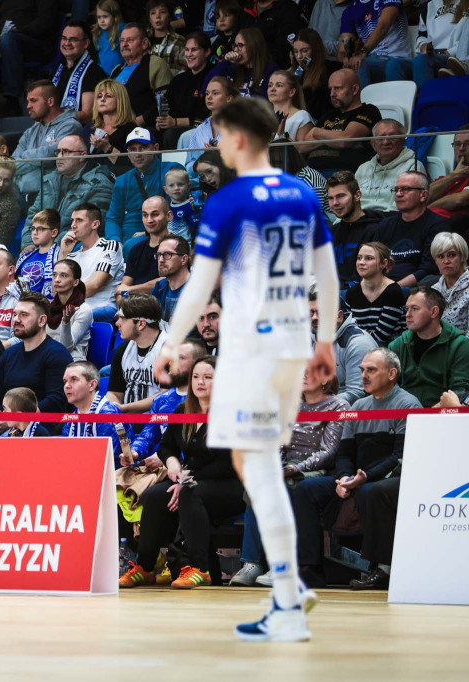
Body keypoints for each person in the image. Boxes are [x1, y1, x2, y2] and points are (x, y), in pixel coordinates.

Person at [151, 97, 340, 641]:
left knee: (256, 469)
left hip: (253, 348)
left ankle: (287, 597)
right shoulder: (303, 193)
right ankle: (289, 589)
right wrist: (323, 339)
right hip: (291, 343)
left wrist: (169, 342)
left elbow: (200, 284)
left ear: (235, 139)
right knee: (254, 464)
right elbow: (326, 275)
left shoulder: (229, 200)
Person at [290, 348, 420, 587]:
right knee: (306, 489)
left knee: (372, 491)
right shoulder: (357, 406)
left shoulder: (408, 404)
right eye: (361, 370)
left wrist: (365, 477)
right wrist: (344, 478)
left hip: (387, 477)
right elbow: (344, 453)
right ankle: (310, 568)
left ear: (392, 374)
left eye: (371, 370)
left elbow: (400, 456)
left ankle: (381, 569)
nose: (363, 376)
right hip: (355, 476)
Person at [121, 355, 247, 589]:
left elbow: (227, 463)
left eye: (208, 377)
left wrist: (185, 480)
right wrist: (171, 463)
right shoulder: (183, 409)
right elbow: (167, 445)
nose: (200, 382)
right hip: (190, 479)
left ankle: (200, 568)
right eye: (196, 377)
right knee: (155, 495)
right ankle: (145, 566)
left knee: (189, 492)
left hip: (231, 483)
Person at [230, 372, 348, 587]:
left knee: (284, 489)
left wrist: (295, 468)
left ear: (325, 378)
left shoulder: (338, 406)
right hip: (286, 466)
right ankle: (252, 563)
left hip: (317, 469)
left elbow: (329, 451)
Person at [0, 292, 74, 424]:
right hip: (7, 423)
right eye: (15, 314)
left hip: (41, 428)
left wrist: (14, 421)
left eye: (24, 315)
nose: (16, 319)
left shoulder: (57, 354)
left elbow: (56, 401)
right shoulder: (8, 354)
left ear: (42, 320)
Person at [126, 337, 206, 462]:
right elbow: (148, 436)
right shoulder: (161, 400)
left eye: (180, 358)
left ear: (198, 364)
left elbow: (203, 450)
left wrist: (167, 458)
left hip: (192, 471)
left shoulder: (204, 401)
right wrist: (134, 452)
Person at [388, 287, 469, 407]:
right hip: (403, 415)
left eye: (415, 309)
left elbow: (460, 390)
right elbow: (387, 387)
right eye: (407, 309)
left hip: (441, 415)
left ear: (434, 312)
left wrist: (427, 416)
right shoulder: (397, 345)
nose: (407, 314)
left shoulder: (460, 345)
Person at [26, 135, 115, 238]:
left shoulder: (99, 184)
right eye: (58, 152)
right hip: (43, 244)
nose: (59, 156)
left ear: (82, 156)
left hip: (74, 247)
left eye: (65, 151)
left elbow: (91, 227)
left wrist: (51, 246)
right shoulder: (50, 180)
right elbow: (33, 215)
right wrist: (28, 244)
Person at [106, 127, 184, 244]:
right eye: (133, 149)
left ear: (156, 148)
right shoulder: (122, 180)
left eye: (143, 148)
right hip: (126, 240)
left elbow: (178, 211)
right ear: (128, 153)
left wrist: (148, 233)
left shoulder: (171, 170)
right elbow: (113, 218)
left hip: (160, 236)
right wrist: (115, 242)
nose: (137, 154)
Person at [369, 172, 448, 288]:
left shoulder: (437, 225)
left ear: (423, 195)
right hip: (380, 286)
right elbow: (372, 260)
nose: (398, 194)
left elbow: (428, 269)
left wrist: (394, 288)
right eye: (396, 189)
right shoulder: (386, 225)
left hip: (415, 290)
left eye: (405, 189)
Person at [0, 0, 58, 115]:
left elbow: (45, 22)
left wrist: (17, 33)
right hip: (2, 41)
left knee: (8, 40)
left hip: (33, 42)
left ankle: (12, 99)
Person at [303, 68, 381, 174]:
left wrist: (316, 132)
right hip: (311, 172)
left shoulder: (368, 111)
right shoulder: (329, 114)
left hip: (344, 174)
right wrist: (335, 137)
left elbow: (344, 140)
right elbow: (303, 146)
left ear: (354, 89)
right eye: (330, 89)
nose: (332, 94)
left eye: (337, 88)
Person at [11, 80, 83, 195]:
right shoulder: (30, 132)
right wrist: (40, 155)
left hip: (54, 194)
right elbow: (11, 165)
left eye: (33, 101)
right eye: (28, 101)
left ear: (50, 101)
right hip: (23, 194)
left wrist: (24, 154)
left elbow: (50, 158)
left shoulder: (70, 126)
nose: (28, 106)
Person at [60, 203, 125, 322]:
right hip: (76, 309)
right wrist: (63, 253)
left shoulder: (110, 246)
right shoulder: (72, 255)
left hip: (102, 308)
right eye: (72, 220)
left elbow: (95, 284)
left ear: (95, 224)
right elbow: (57, 289)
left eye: (79, 220)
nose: (73, 225)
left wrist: (64, 295)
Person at [310, 290, 375, 406]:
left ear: (339, 317)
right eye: (310, 313)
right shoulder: (309, 339)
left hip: (351, 415)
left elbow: (356, 393)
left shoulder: (357, 343)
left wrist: (316, 404)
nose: (314, 318)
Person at [107, 294, 167, 413]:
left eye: (122, 318)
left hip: (158, 420)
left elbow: (165, 395)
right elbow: (114, 392)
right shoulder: (122, 351)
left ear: (141, 324)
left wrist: (126, 408)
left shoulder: (168, 349)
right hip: (128, 420)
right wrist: (111, 408)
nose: (117, 323)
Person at [325, 171, 385, 286]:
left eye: (341, 196)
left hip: (356, 292)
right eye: (331, 198)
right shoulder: (331, 232)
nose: (335, 203)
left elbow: (370, 276)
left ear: (357, 195)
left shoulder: (375, 229)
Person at [109, 24, 172, 129]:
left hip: (141, 128)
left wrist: (137, 121)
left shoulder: (155, 64)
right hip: (113, 127)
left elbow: (165, 101)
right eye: (122, 41)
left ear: (144, 43)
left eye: (129, 40)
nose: (124, 44)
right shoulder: (116, 70)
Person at [354, 120, 425, 212]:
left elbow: (406, 206)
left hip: (389, 220)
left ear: (403, 141)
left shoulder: (413, 166)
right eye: (381, 137)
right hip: (359, 219)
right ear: (373, 144)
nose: (386, 142)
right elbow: (352, 201)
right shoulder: (363, 168)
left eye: (392, 136)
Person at [62, 360, 129, 459]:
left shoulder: (108, 414)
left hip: (115, 472)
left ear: (92, 385)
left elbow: (108, 458)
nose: (67, 386)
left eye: (74, 379)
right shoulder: (72, 418)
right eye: (65, 381)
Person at [345, 242, 408, 345]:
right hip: (362, 346)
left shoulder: (393, 291)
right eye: (359, 258)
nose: (361, 262)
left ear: (383, 263)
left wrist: (358, 341)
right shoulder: (351, 293)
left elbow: (381, 336)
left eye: (369, 258)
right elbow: (350, 331)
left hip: (391, 349)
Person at [337, 0, 410, 87]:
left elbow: (383, 26)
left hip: (399, 58)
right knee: (356, 67)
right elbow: (343, 49)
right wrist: (346, 59)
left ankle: (391, 100)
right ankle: (364, 100)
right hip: (373, 61)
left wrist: (363, 52)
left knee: (389, 66)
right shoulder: (349, 11)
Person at [159, 32, 214, 148]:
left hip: (203, 128)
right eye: (187, 50)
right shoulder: (179, 79)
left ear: (207, 52)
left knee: (171, 134)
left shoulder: (213, 77)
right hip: (175, 127)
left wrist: (175, 122)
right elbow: (166, 104)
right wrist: (161, 121)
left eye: (194, 50)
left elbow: (205, 116)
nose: (189, 54)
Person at [51, 19, 104, 125]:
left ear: (86, 43)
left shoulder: (93, 72)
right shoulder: (57, 70)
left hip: (77, 132)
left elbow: (87, 115)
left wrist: (55, 116)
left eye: (73, 39)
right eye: (64, 38)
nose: (67, 43)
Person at [117, 196, 172, 297]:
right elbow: (122, 288)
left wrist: (130, 290)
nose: (149, 220)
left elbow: (168, 281)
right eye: (145, 215)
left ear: (168, 216)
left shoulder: (176, 245)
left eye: (155, 214)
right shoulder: (136, 249)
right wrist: (121, 309)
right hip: (132, 307)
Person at [179, 76, 237, 171]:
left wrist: (219, 157)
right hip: (201, 182)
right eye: (207, 93)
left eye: (215, 93)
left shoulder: (240, 126)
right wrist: (203, 161)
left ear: (229, 98)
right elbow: (189, 165)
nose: (209, 97)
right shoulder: (201, 129)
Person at [81, 78, 136, 174]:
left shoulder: (131, 130)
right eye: (99, 96)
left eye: (108, 96)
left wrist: (107, 148)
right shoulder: (88, 128)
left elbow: (132, 167)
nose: (102, 99)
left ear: (120, 100)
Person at [47, 259, 93, 360]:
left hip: (72, 361)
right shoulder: (49, 306)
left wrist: (65, 322)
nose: (57, 279)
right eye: (54, 275)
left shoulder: (83, 310)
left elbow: (66, 347)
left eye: (63, 275)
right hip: (47, 358)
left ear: (75, 282)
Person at [289, 27, 336, 120]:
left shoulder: (329, 70)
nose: (299, 56)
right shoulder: (296, 72)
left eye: (304, 51)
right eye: (295, 51)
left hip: (322, 122)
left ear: (316, 49)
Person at [427, 126, 469, 225]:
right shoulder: (445, 179)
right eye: (457, 144)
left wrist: (425, 210)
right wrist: (454, 176)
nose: (461, 148)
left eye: (467, 143)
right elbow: (424, 197)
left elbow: (460, 200)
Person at [16, 209, 60, 298]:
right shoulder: (25, 258)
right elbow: (20, 285)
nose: (35, 233)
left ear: (53, 232)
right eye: (33, 228)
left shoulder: (59, 256)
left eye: (40, 229)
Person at [431, 232, 469, 333]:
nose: (446, 261)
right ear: (435, 260)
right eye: (440, 256)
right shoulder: (433, 291)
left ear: (462, 257)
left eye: (452, 255)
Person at [150, 235, 191, 321]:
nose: (161, 260)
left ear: (183, 259)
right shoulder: (159, 287)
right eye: (159, 255)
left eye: (167, 254)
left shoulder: (197, 288)